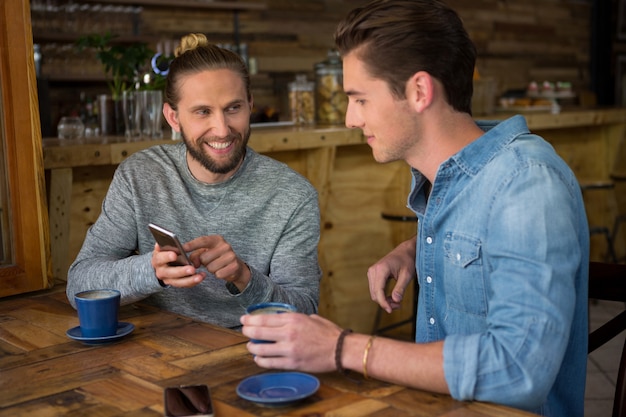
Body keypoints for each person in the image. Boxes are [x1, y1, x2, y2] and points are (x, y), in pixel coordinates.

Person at [240, 1, 589, 416]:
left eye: (360, 99)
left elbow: (517, 371)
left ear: (419, 91)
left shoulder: (528, 183)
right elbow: (492, 230)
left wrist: (342, 347)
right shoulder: (458, 178)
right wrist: (422, 246)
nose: (351, 119)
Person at [66, 33, 322, 329]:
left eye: (233, 108)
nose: (222, 129)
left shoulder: (292, 195)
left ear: (250, 105)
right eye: (203, 112)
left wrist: (244, 277)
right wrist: (152, 270)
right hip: (153, 352)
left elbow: (304, 313)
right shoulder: (141, 175)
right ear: (173, 118)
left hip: (246, 352)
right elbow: (79, 285)